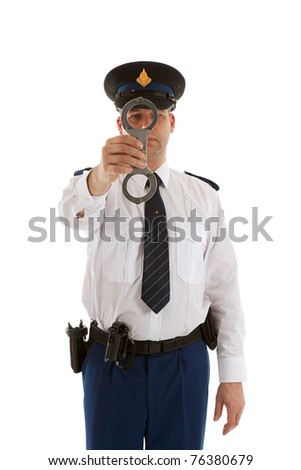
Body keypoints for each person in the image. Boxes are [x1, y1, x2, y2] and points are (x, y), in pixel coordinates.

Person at [60, 61, 247, 450]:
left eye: (156, 116)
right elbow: (70, 217)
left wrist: (232, 373)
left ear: (172, 124)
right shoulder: (96, 187)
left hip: (184, 367)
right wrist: (100, 176)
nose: (146, 126)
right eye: (136, 115)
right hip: (112, 366)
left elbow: (223, 289)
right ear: (121, 125)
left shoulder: (203, 196)